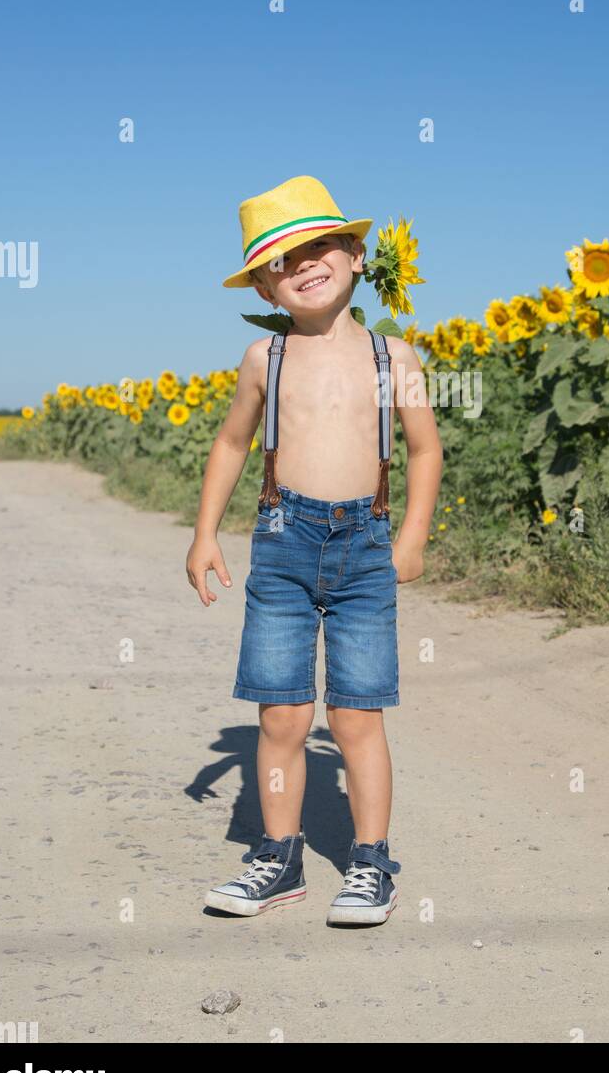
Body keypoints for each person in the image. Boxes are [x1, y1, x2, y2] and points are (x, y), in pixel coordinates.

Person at [186, 175, 442, 926]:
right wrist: (204, 532)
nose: (302, 264)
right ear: (265, 288)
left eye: (317, 246)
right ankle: (278, 858)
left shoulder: (397, 359)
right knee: (282, 717)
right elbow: (232, 442)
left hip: (365, 544)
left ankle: (369, 864)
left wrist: (413, 534)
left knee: (357, 715)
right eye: (280, 260)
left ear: (357, 255)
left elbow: (423, 452)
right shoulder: (262, 359)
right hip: (280, 544)